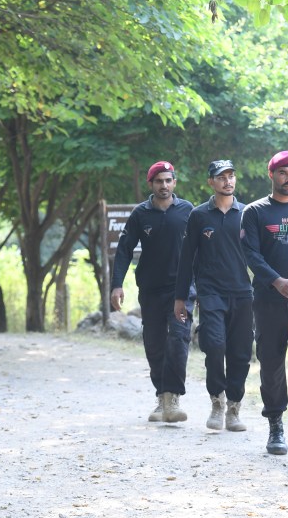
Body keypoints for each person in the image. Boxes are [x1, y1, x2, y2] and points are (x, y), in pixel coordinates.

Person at [241, 150, 288, 459]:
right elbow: (251, 254)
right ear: (271, 175)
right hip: (268, 302)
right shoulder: (255, 212)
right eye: (283, 173)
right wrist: (277, 281)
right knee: (271, 365)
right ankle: (275, 424)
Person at [111, 160, 195, 423]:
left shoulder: (188, 211)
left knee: (179, 339)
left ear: (175, 182)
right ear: (151, 184)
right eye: (159, 181)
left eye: (168, 180)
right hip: (150, 289)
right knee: (155, 343)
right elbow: (124, 250)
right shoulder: (140, 214)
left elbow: (200, 251)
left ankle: (172, 397)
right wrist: (116, 285)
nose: (164, 185)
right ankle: (161, 396)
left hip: (181, 290)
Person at [174, 160, 254, 432]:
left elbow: (258, 256)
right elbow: (186, 260)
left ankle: (234, 407)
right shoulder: (198, 216)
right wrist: (181, 298)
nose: (228, 181)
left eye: (231, 176)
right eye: (221, 177)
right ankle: (217, 401)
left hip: (243, 293)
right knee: (215, 345)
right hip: (210, 293)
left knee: (241, 353)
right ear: (211, 182)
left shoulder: (247, 213)